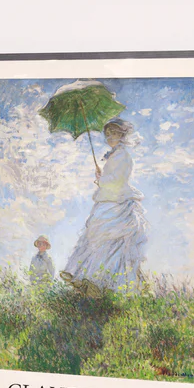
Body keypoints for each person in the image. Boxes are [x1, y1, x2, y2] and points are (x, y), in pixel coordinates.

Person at [62, 119, 147, 292]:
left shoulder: (123, 156)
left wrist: (102, 180)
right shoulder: (114, 155)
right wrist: (102, 177)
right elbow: (110, 178)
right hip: (107, 199)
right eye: (107, 134)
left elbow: (118, 180)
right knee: (94, 237)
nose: (109, 137)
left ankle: (100, 281)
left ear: (122, 135)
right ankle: (82, 275)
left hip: (117, 203)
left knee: (110, 241)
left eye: (113, 134)